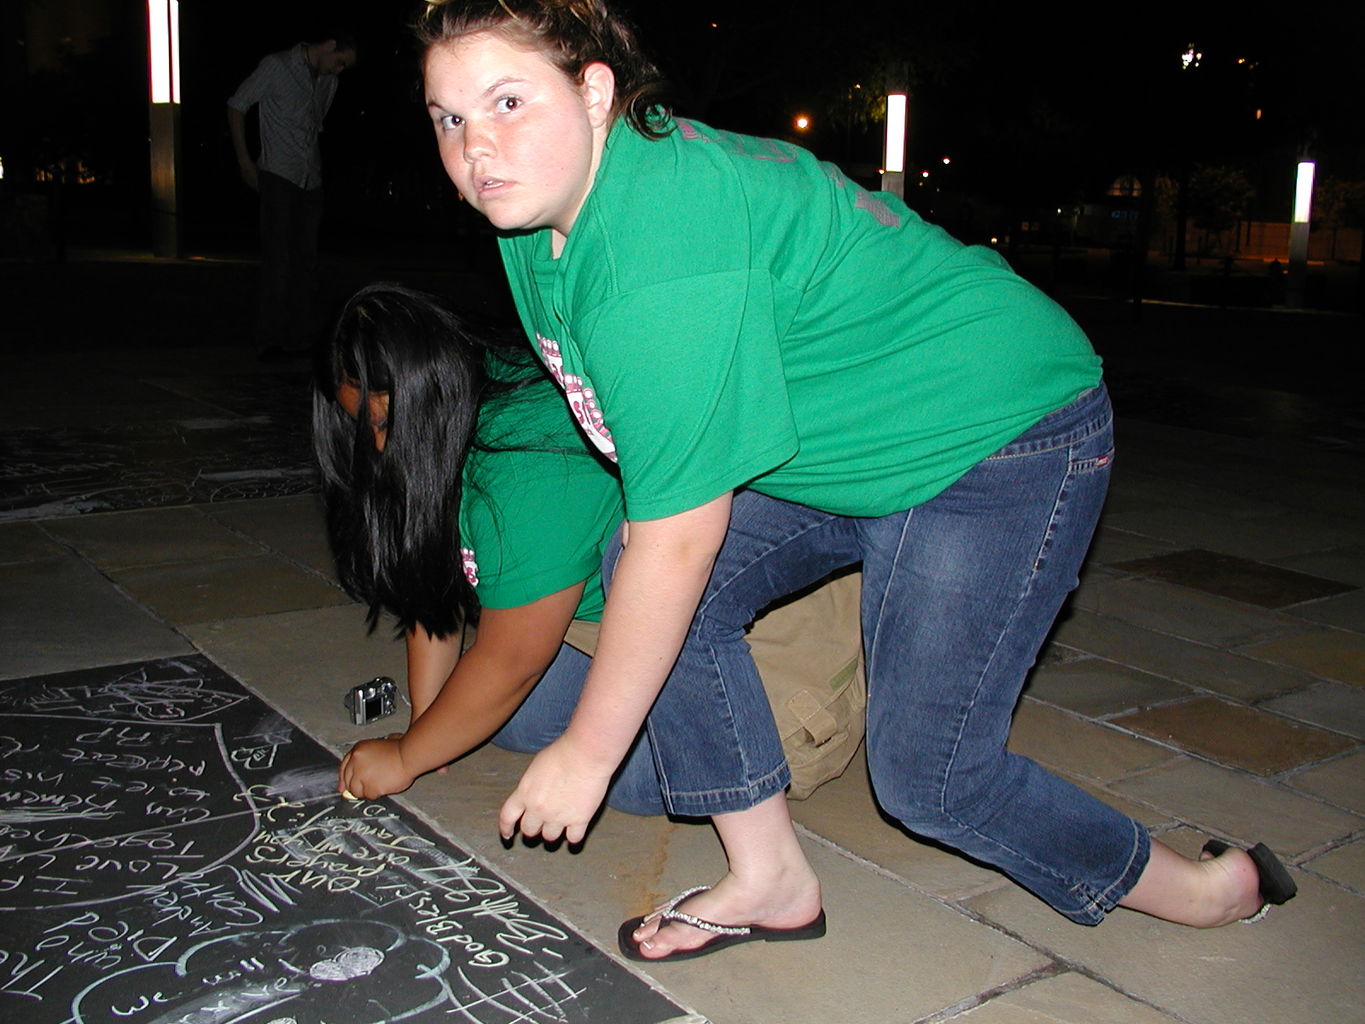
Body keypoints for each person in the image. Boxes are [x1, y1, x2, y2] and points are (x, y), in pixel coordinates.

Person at [412, 0, 1298, 962]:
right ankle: (769, 880)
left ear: (594, 92)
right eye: (448, 117)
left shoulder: (656, 257)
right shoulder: (538, 213)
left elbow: (682, 529)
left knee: (932, 779)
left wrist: (587, 752)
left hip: (997, 432)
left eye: (507, 101)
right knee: (648, 575)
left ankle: (1203, 892)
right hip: (843, 437)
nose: (477, 148)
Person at [319, 284, 863, 823]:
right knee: (498, 720)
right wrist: (424, 729)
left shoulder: (525, 465)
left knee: (622, 778)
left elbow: (513, 660)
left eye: (384, 422)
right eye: (364, 428)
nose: (380, 449)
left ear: (430, 389)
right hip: (637, 625)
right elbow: (429, 578)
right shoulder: (468, 399)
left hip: (765, 653)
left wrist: (406, 758)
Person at [229, 33, 358, 359]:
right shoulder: (277, 66)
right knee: (279, 261)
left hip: (310, 180)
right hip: (277, 174)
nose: (339, 70)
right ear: (329, 44)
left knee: (306, 262)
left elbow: (314, 127)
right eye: (340, 61)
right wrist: (245, 161)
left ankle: (302, 338)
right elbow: (236, 105)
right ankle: (269, 339)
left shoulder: (328, 82)